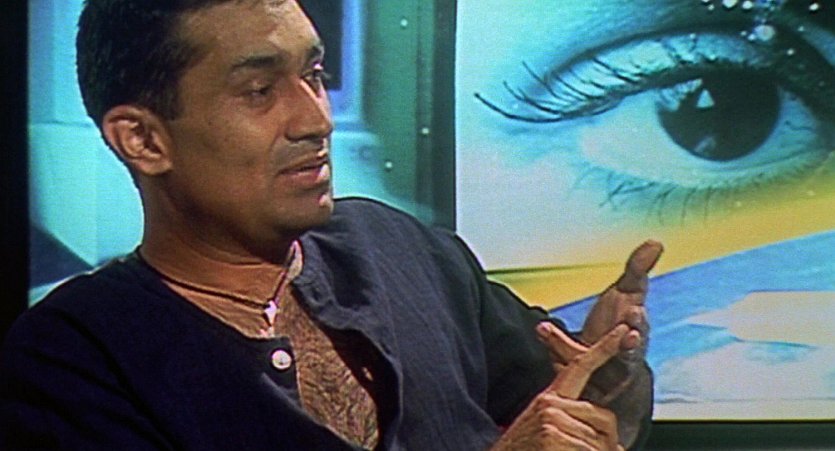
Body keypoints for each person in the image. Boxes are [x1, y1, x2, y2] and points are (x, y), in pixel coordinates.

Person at [0, 0, 662, 449]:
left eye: (313, 74)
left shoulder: (403, 249)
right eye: (259, 91)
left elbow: (573, 412)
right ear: (143, 140)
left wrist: (610, 374)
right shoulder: (74, 357)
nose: (315, 119)